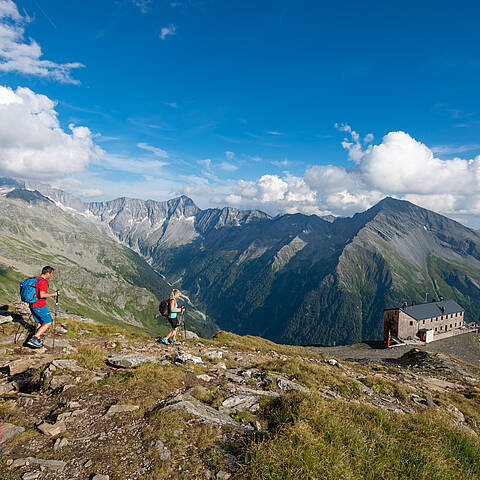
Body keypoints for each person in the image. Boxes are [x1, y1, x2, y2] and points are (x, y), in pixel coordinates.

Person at [26, 266, 59, 348]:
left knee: (40, 322)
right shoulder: (43, 282)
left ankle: (37, 340)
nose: (51, 275)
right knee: (48, 322)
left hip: (32, 304)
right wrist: (54, 294)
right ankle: (34, 338)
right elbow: (42, 294)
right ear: (48, 273)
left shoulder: (36, 279)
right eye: (51, 274)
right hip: (39, 306)